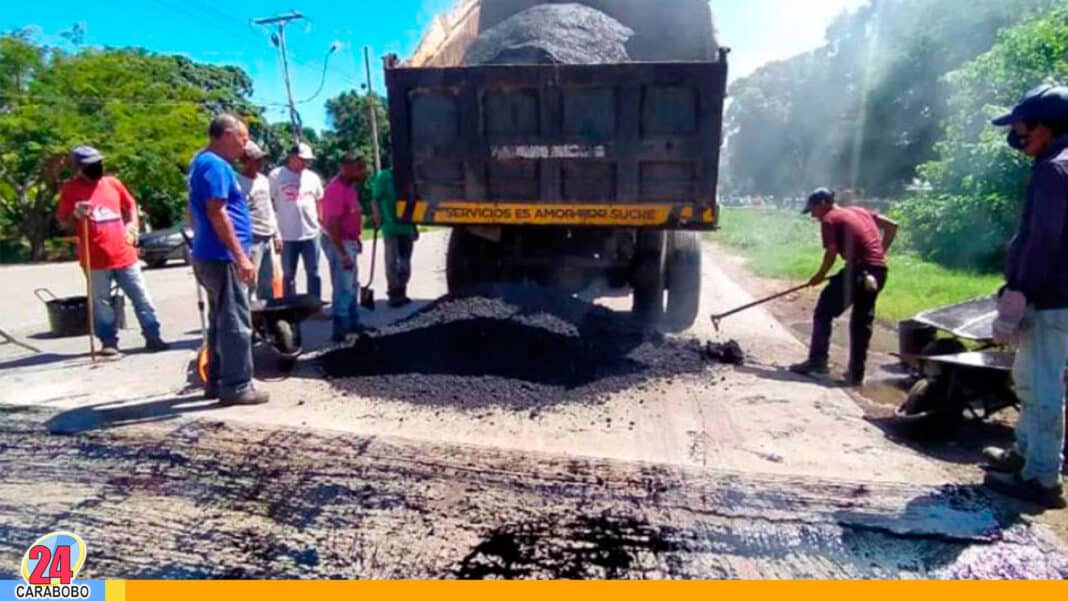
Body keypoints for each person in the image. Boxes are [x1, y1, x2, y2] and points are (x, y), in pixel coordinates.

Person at [982, 85, 1068, 508]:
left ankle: (1041, 479)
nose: (1018, 136)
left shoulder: (1054, 170)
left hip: (1051, 297)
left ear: (1046, 125)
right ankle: (1024, 454)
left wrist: (1020, 291)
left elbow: (1043, 239)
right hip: (1056, 295)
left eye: (1022, 127)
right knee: (1031, 379)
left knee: (1042, 384)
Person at [56, 145, 169, 357]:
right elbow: (63, 223)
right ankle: (108, 341)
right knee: (102, 303)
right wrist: (75, 214)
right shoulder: (70, 190)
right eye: (90, 165)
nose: (97, 167)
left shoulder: (113, 184)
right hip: (95, 258)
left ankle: (153, 336)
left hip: (125, 254)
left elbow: (131, 205)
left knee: (142, 298)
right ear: (79, 167)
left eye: (98, 162)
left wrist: (133, 227)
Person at [188, 114, 269, 406]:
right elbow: (217, 212)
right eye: (242, 137)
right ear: (224, 135)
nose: (245, 145)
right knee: (236, 322)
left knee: (220, 321)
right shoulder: (216, 166)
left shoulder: (201, 163)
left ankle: (217, 380)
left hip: (210, 254)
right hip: (222, 258)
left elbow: (196, 211)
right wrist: (240, 256)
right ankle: (237, 386)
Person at [788, 188, 897, 386]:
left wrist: (819, 275)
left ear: (822, 203)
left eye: (813, 210)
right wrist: (879, 253)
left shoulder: (830, 218)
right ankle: (856, 375)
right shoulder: (860, 211)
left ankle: (817, 362)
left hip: (859, 272)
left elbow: (831, 252)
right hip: (878, 272)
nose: (813, 216)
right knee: (861, 323)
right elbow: (892, 226)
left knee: (823, 312)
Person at [321, 153, 369, 342]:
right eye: (359, 168)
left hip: (349, 241)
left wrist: (356, 239)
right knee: (343, 286)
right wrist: (342, 254)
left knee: (352, 284)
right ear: (346, 168)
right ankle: (339, 330)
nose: (363, 171)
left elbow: (351, 214)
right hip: (338, 242)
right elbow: (332, 226)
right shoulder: (336, 189)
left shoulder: (350, 187)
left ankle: (353, 322)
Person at [270, 142, 324, 299]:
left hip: (311, 233)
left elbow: (320, 199)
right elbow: (270, 202)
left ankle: (315, 306)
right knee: (288, 274)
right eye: (303, 160)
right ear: (292, 158)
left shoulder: (312, 177)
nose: (307, 163)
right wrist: (275, 232)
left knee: (313, 272)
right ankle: (289, 306)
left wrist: (320, 222)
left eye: (308, 161)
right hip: (288, 235)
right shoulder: (276, 176)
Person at [371, 157, 419, 307]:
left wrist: (415, 227)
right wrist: (377, 216)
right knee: (392, 261)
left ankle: (402, 291)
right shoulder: (384, 177)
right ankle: (393, 294)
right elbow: (375, 199)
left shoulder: (411, 177)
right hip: (390, 226)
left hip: (407, 227)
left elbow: (415, 203)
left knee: (405, 262)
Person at [237, 140, 281, 301]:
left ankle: (267, 318)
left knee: (267, 280)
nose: (260, 163)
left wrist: (276, 234)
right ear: (245, 161)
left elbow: (269, 207)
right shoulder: (238, 182)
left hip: (268, 234)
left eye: (261, 159)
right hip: (252, 237)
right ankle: (250, 317)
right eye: (255, 160)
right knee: (250, 281)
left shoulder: (263, 180)